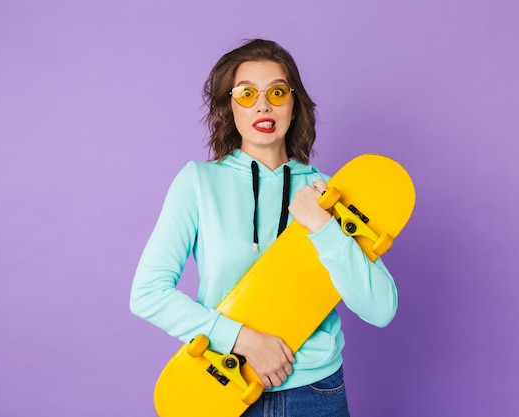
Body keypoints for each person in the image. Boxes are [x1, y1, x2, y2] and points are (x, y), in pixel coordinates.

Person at [130, 39, 398, 417]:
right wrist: (241, 339)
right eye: (246, 93)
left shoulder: (331, 193)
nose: (263, 104)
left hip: (317, 393)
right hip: (224, 389)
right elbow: (147, 293)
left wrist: (324, 226)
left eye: (276, 91)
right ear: (229, 106)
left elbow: (381, 308)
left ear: (294, 104)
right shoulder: (198, 183)